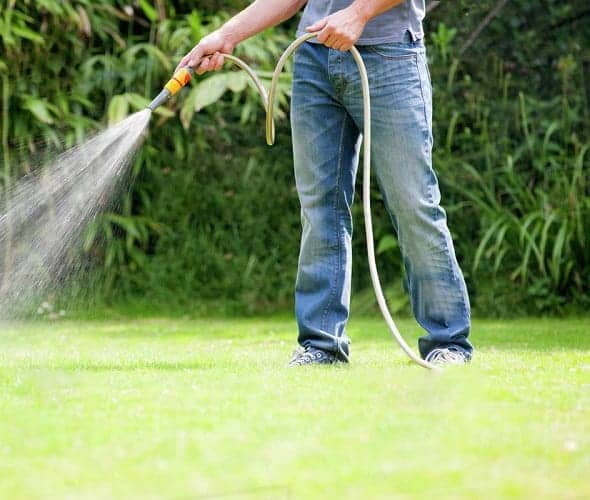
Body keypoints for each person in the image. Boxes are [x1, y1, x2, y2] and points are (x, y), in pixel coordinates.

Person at [179, 0, 473, 366]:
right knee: (320, 209)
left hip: (391, 54)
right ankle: (321, 345)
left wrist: (360, 12)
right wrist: (225, 36)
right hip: (314, 59)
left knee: (413, 204)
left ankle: (449, 343)